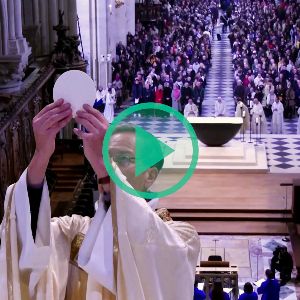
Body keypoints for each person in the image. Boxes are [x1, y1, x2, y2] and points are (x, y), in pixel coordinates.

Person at [0, 99, 200, 299]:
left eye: (121, 159)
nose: (107, 164)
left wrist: (105, 169)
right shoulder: (74, 230)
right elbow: (25, 238)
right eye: (106, 156)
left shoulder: (181, 237)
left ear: (150, 175)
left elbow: (146, 246)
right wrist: (41, 154)